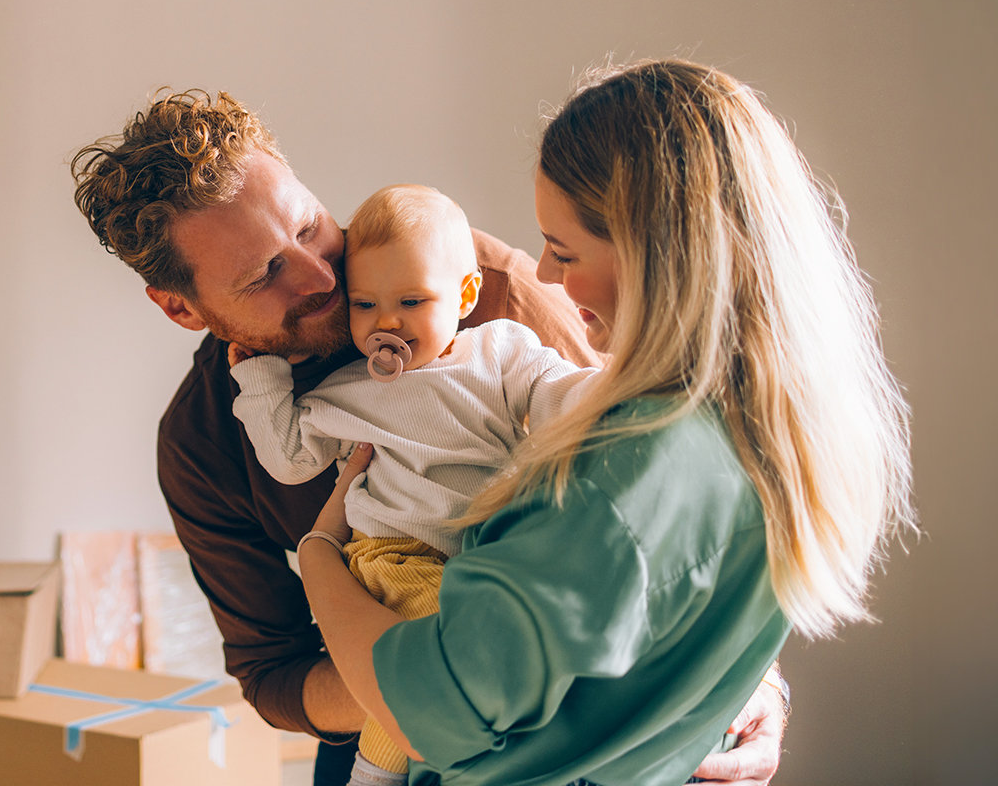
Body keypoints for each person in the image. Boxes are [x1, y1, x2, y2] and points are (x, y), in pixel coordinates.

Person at [70, 88, 789, 786]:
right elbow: (272, 673)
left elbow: (661, 474)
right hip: (398, 695)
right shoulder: (204, 444)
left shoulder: (476, 284)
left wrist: (748, 679)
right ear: (179, 307)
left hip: (584, 670)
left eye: (310, 226)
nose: (322, 275)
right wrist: (424, 682)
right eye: (266, 274)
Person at [294, 59, 915, 785]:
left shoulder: (620, 472)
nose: (547, 279)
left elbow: (430, 712)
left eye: (562, 251)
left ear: (660, 254)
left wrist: (319, 557)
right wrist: (758, 692)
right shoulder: (763, 428)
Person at [230, 183, 595, 783]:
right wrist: (263, 379)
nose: (387, 322)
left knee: (523, 647)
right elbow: (292, 457)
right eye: (365, 306)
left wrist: (621, 393)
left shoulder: (500, 351)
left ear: (466, 293)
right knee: (427, 656)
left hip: (490, 560)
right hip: (399, 556)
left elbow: (558, 395)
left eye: (412, 301)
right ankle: (375, 774)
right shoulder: (350, 388)